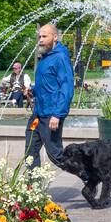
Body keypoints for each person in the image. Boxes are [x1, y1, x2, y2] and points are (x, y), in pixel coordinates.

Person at [26, 23, 74, 170]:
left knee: (55, 155)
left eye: (44, 36)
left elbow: (66, 87)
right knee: (30, 150)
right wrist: (32, 90)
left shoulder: (60, 58)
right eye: (39, 36)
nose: (40, 39)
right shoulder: (45, 57)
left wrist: (57, 114)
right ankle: (33, 188)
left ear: (55, 37)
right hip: (38, 114)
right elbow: (48, 84)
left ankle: (88, 177)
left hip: (51, 114)